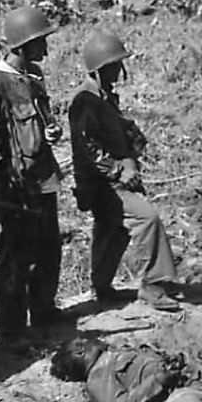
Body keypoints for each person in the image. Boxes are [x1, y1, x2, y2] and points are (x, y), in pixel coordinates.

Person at [68, 31, 179, 310]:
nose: (119, 70)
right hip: (103, 183)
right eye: (114, 65)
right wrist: (118, 171)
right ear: (100, 69)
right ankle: (154, 284)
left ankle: (103, 288)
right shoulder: (85, 100)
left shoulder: (104, 98)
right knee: (147, 219)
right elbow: (87, 147)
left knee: (113, 230)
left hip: (111, 179)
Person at [0, 5, 65, 347]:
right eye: (40, 41)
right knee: (15, 256)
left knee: (48, 247)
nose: (46, 48)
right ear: (22, 46)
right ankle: (10, 331)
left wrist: (50, 132)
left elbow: (40, 122)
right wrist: (1, 190)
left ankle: (43, 311)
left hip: (43, 177)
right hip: (17, 184)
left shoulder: (33, 76)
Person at [50, 337, 178, 402]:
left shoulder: (114, 352)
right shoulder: (97, 376)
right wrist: (158, 380)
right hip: (178, 393)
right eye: (83, 341)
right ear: (80, 352)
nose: (91, 339)